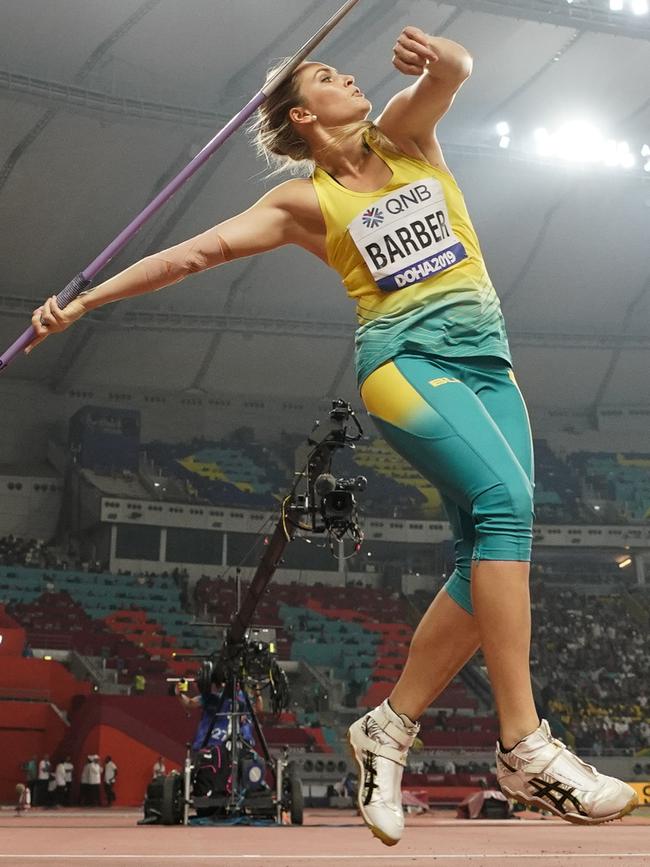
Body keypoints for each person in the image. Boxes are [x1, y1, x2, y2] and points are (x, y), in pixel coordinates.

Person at [27, 23, 638, 846]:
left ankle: (387, 727)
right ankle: (524, 743)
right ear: (302, 116)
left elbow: (456, 70)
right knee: (507, 504)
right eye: (323, 76)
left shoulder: (407, 134)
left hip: (489, 365)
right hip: (404, 363)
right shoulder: (303, 201)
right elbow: (194, 254)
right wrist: (86, 300)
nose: (344, 76)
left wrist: (441, 57)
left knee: (489, 545)